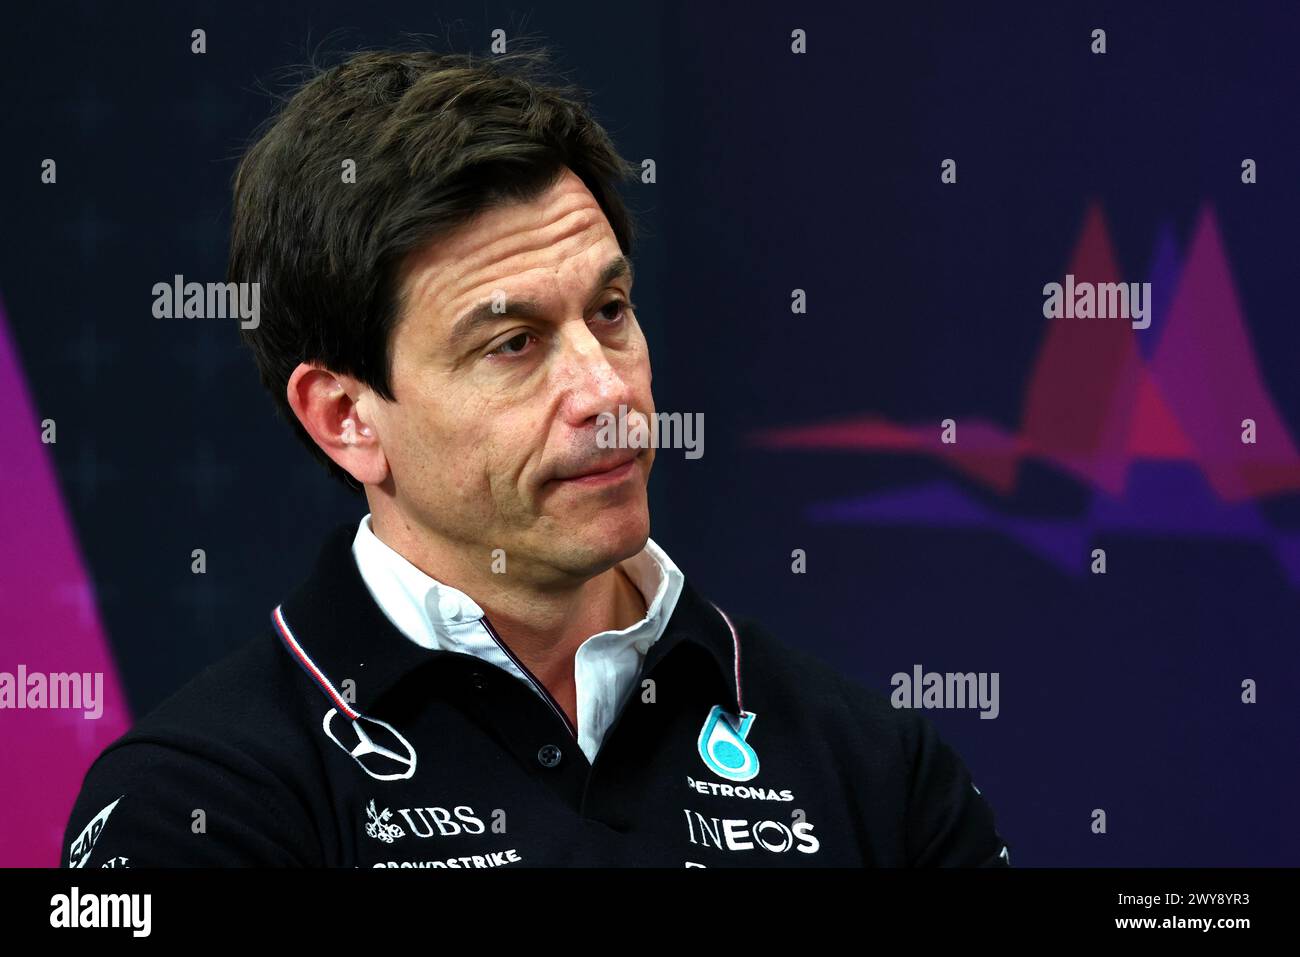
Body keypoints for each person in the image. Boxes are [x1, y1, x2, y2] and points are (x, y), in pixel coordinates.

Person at [61, 46, 1010, 868]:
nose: (607, 392)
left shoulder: (872, 769)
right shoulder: (199, 804)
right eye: (511, 343)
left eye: (610, 311)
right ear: (346, 416)